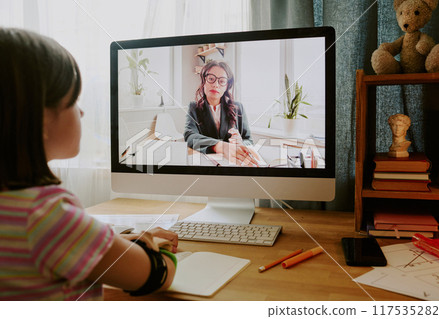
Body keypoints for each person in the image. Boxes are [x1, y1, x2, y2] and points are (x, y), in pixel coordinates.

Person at [0, 27, 178, 300]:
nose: (81, 111)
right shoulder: (45, 214)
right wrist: (157, 250)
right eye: (73, 101)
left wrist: (117, 246)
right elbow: (155, 275)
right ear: (41, 119)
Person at [184, 61, 259, 166]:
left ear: (226, 86)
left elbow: (249, 140)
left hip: (233, 164)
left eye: (222, 81)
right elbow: (190, 136)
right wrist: (220, 146)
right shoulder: (194, 107)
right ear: (203, 81)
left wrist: (240, 143)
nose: (215, 85)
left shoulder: (238, 107)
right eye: (211, 79)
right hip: (208, 165)